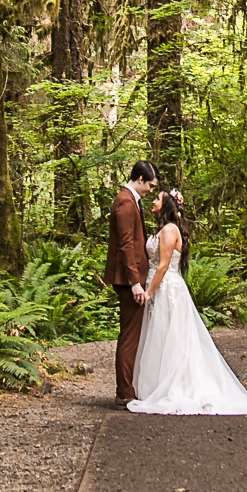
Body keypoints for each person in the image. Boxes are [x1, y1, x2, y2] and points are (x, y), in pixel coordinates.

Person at [128, 188, 247, 416]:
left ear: (167, 205)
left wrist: (149, 291)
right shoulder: (162, 229)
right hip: (160, 286)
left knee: (171, 336)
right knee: (158, 335)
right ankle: (154, 385)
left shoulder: (170, 230)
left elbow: (163, 265)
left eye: (157, 199)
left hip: (167, 289)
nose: (153, 201)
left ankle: (175, 385)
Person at [105, 160, 156, 405]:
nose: (152, 190)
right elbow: (126, 245)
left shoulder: (131, 200)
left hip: (131, 279)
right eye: (150, 185)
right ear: (139, 179)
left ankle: (128, 389)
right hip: (128, 282)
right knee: (129, 336)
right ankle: (124, 393)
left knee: (132, 334)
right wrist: (135, 282)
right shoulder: (125, 202)